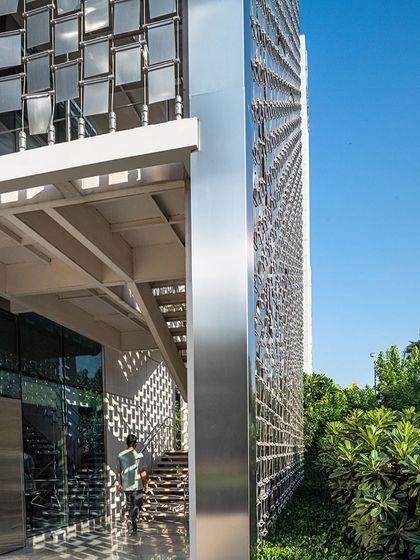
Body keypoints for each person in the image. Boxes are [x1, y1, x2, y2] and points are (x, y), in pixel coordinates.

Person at [117, 434, 148, 535]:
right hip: (137, 487)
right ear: (135, 444)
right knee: (138, 504)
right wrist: (146, 484)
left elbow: (119, 472)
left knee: (131, 505)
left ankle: (133, 525)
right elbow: (143, 472)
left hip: (126, 487)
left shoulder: (120, 455)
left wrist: (120, 484)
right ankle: (131, 519)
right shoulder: (139, 456)